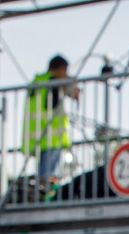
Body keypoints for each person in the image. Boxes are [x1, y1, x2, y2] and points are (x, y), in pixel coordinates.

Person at [22, 55, 80, 193]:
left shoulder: (38, 82)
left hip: (36, 136)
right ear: (60, 69)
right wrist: (70, 86)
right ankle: (47, 195)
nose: (66, 74)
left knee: (44, 173)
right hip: (51, 136)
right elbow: (66, 96)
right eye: (65, 71)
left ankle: (42, 193)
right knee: (49, 176)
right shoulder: (53, 82)